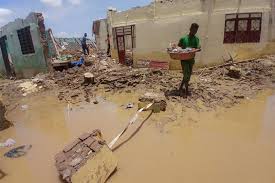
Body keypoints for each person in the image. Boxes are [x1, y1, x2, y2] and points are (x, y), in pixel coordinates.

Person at [178, 23, 201, 97]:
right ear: (190, 29)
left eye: (196, 30)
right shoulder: (183, 39)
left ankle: (181, 87)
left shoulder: (196, 39)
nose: (194, 31)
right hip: (184, 60)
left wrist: (197, 49)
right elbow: (178, 47)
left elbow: (198, 48)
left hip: (191, 60)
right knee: (186, 74)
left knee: (188, 75)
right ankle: (186, 90)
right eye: (193, 30)